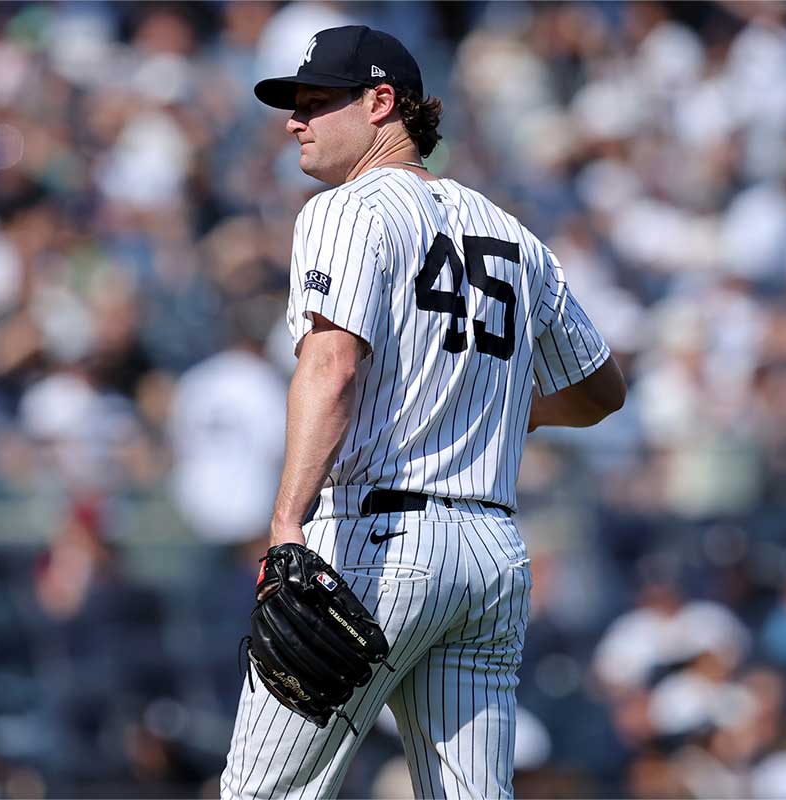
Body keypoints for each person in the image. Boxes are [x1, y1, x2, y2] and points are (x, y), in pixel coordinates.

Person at [221, 24, 627, 799]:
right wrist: (515, 416)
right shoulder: (515, 236)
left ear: (382, 103)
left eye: (317, 102)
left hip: (379, 539)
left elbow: (333, 364)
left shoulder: (346, 209)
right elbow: (603, 390)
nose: (293, 121)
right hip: (492, 551)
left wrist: (285, 523)